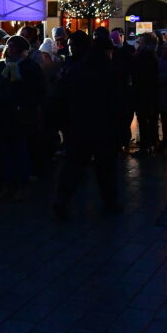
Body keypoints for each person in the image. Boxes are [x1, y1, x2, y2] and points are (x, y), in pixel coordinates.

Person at [53, 38, 124, 219]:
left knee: (73, 165)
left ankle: (62, 200)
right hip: (104, 127)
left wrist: (65, 122)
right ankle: (110, 200)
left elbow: (62, 97)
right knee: (105, 167)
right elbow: (118, 103)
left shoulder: (75, 71)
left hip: (79, 126)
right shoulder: (110, 72)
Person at [0, 35, 45, 197]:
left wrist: (25, 105)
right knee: (7, 151)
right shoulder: (2, 66)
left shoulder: (30, 67)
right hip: (4, 115)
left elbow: (38, 91)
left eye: (13, 46)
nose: (9, 49)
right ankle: (9, 184)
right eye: (8, 46)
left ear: (21, 50)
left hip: (22, 115)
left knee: (21, 150)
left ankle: (22, 184)